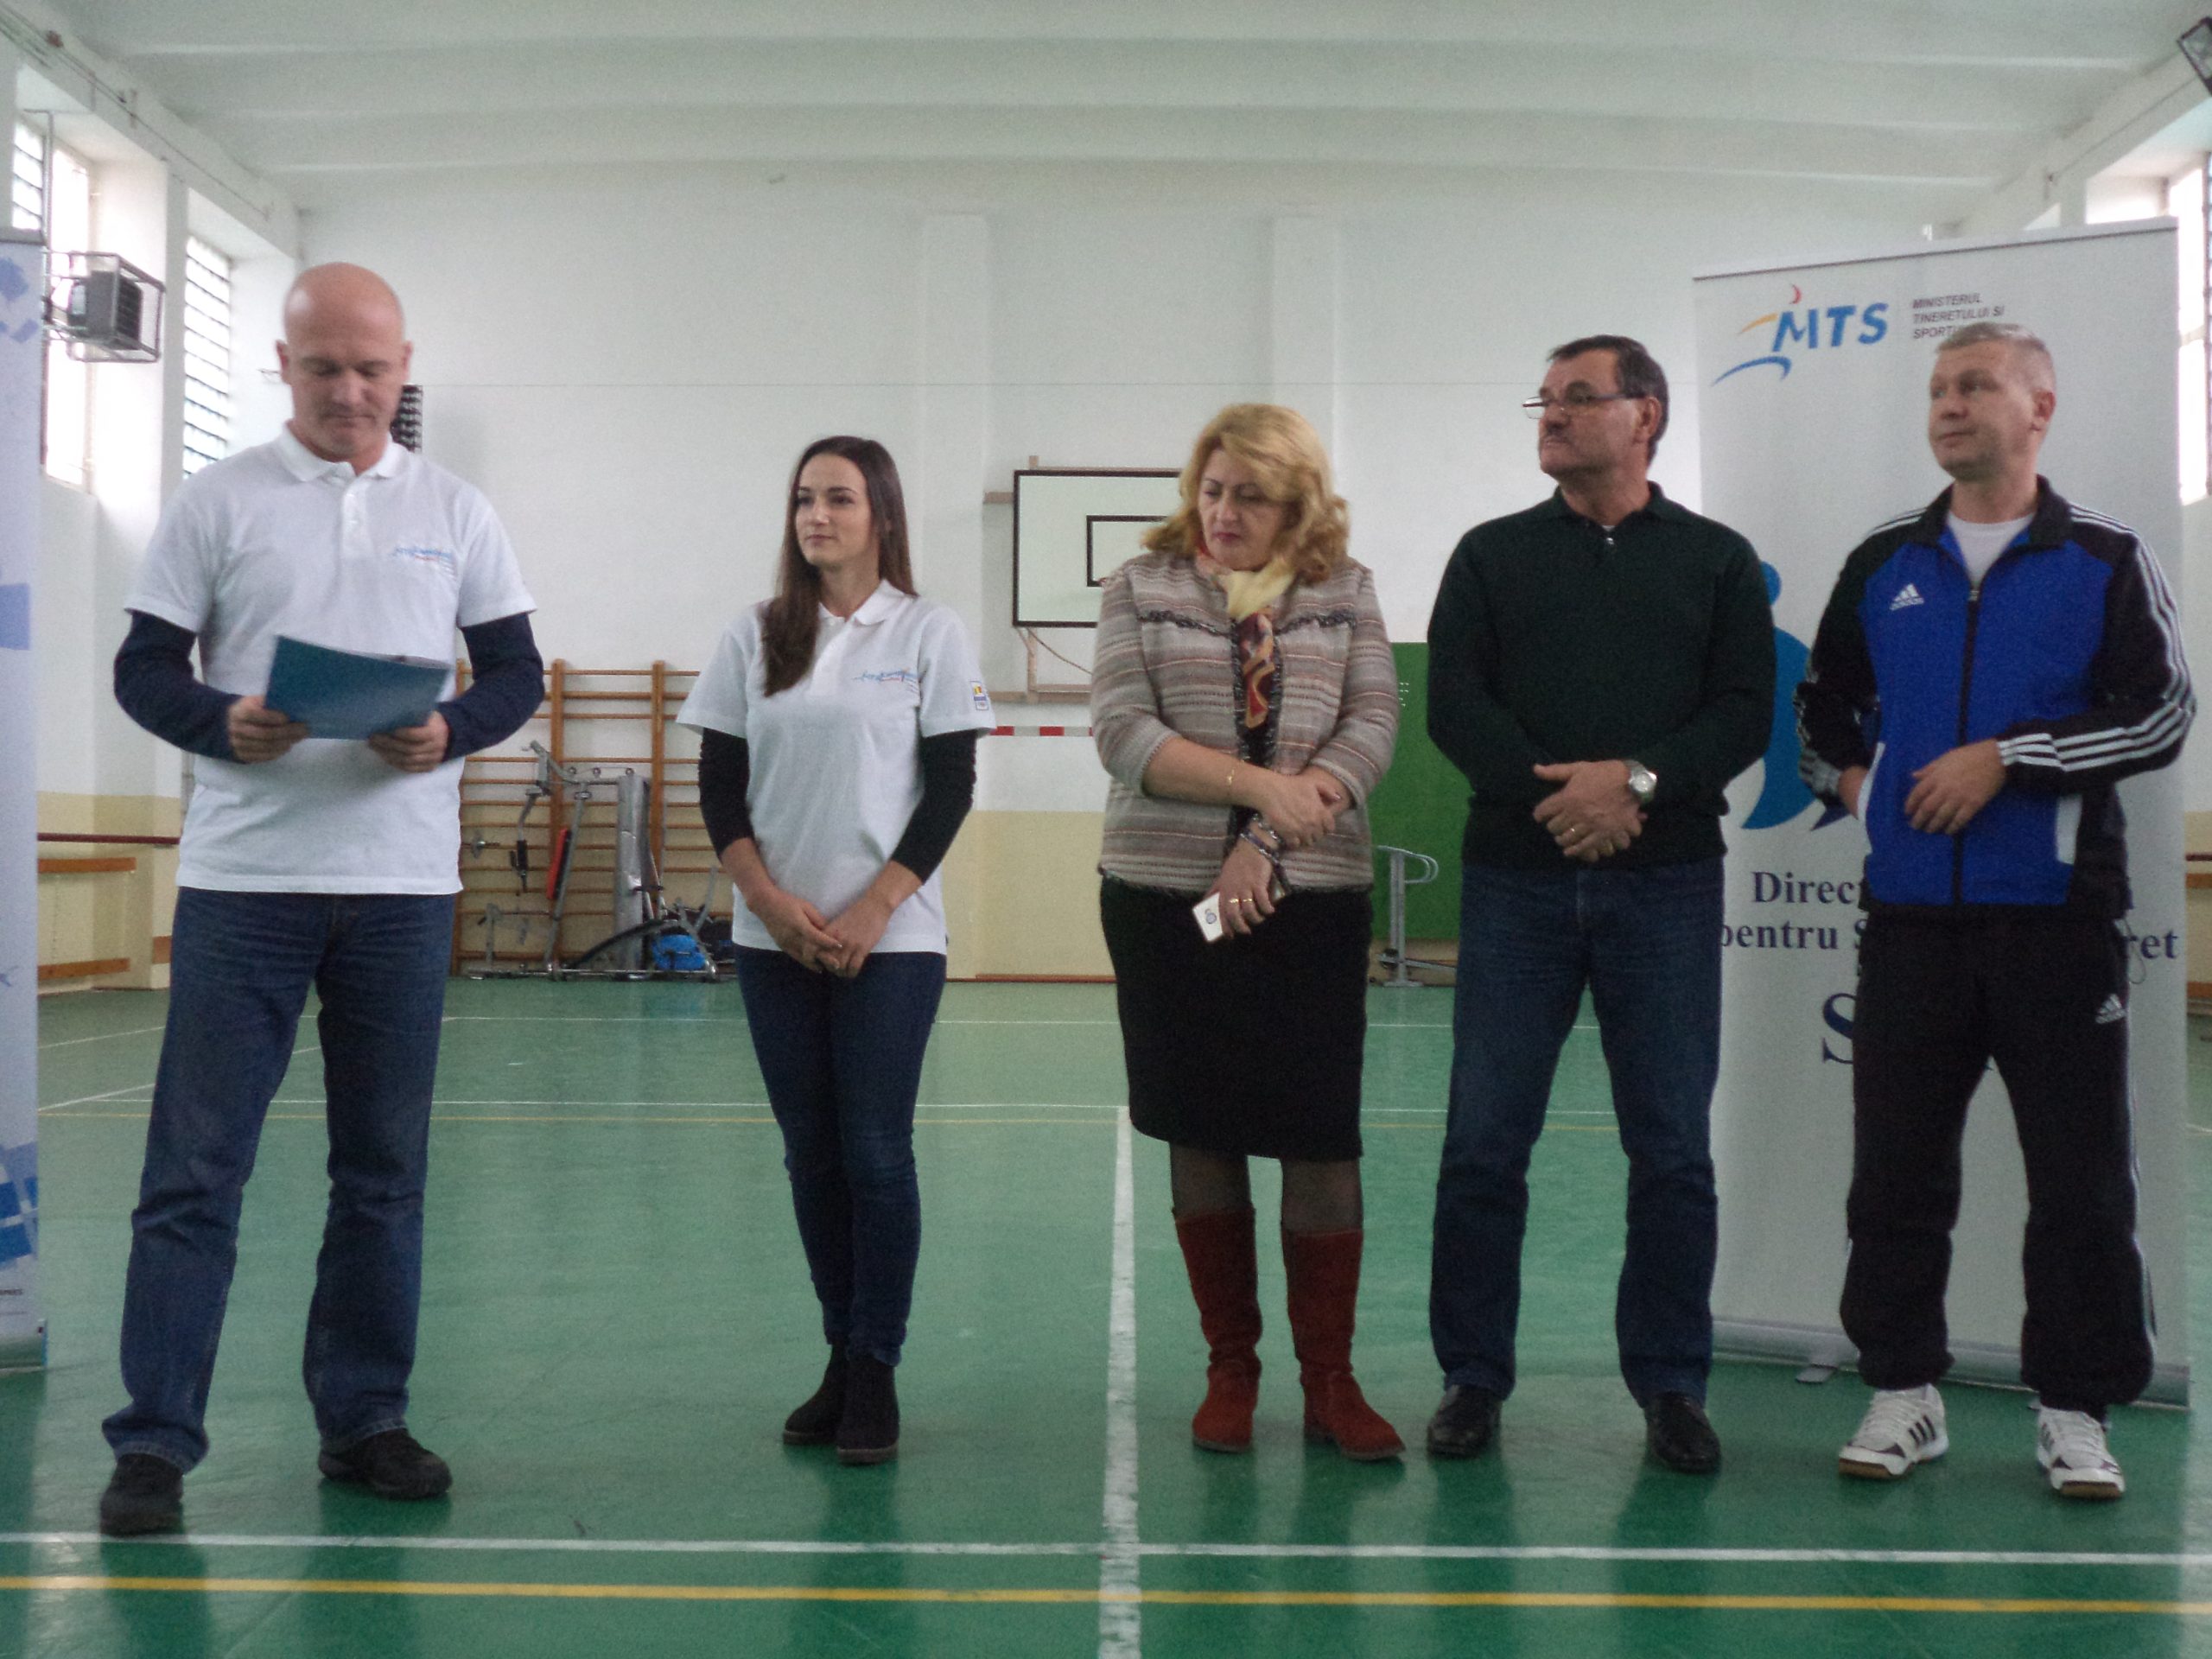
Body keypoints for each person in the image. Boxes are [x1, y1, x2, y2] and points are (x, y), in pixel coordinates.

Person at [99, 264, 544, 1535]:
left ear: (404, 369)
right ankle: (155, 1442)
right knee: (194, 1174)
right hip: (244, 885)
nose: (349, 392)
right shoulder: (217, 500)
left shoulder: (457, 510)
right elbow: (142, 667)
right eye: (323, 368)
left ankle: (365, 1422)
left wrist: (450, 730)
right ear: (283, 369)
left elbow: (515, 673)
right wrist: (219, 722)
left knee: (383, 1175)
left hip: (401, 890)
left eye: (371, 369)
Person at [1796, 322, 2191, 1501]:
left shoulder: (2105, 559)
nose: (1949, 404)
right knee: (1895, 1177)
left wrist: (2009, 759)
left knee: (2080, 1182)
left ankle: (2074, 1409)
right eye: (1937, 388)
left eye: (1975, 385)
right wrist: (1858, 792)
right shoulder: (1885, 563)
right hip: (1910, 925)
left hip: (2058, 926)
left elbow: (2160, 715)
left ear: (2040, 407)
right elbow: (1822, 709)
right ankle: (1901, 1390)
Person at [1425, 334, 1774, 1474]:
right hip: (1515, 883)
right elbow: (1454, 706)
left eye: (1578, 398)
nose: (1552, 416)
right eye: (1544, 400)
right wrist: (1567, 800)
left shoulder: (1716, 561)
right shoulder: (1489, 555)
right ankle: (1472, 1378)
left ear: (1646, 415)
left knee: (1671, 1151)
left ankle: (1672, 1385)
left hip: (1665, 886)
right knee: (1484, 1145)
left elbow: (1743, 711)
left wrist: (1635, 783)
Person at [1093, 403, 1402, 1460]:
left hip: (1311, 902)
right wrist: (1266, 791)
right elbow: (1123, 734)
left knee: (1320, 1139)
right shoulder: (1140, 587)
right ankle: (1231, 1370)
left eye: (1251, 497)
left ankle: (1331, 1382)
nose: (1223, 512)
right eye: (1213, 490)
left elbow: (1371, 728)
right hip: (1162, 898)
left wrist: (1264, 841)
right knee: (1202, 1130)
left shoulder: (1345, 591)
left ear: (1298, 505)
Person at [681, 435, 990, 1466]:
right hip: (774, 940)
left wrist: (874, 910)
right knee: (810, 1154)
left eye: (840, 499)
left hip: (891, 943)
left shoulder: (929, 632)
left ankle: (876, 1366)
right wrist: (767, 904)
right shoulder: (755, 633)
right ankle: (839, 1353)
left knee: (874, 1151)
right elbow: (719, 788)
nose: (817, 515)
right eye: (805, 499)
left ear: (881, 515)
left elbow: (949, 789)